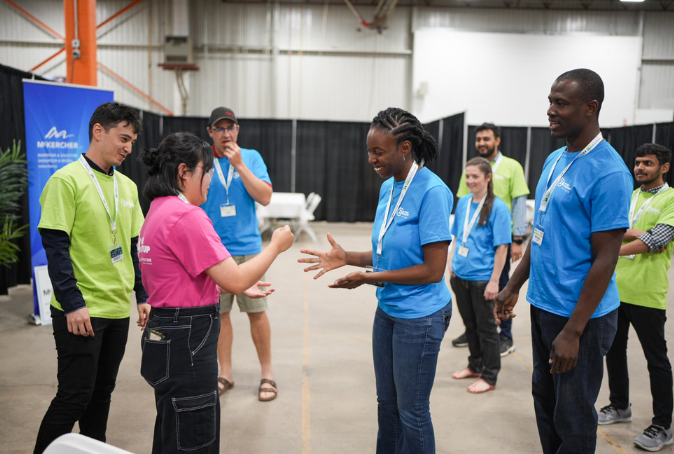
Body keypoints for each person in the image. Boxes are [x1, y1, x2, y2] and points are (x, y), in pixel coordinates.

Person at [494, 69, 633, 454]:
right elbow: (543, 233)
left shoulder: (609, 172)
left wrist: (573, 331)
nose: (551, 111)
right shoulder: (556, 159)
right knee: (547, 403)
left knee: (573, 415)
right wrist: (513, 285)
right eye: (550, 101)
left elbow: (606, 259)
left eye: (561, 103)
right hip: (545, 305)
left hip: (581, 318)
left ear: (590, 108)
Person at [299, 107, 453, 454]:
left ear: (405, 148)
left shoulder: (432, 192)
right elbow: (390, 253)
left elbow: (432, 270)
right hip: (389, 311)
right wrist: (348, 258)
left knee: (412, 412)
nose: (371, 158)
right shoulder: (388, 189)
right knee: (387, 405)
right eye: (369, 150)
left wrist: (369, 278)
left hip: (421, 316)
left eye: (378, 151)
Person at [137, 132, 293, 454]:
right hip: (187, 342)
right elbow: (236, 280)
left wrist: (220, 282)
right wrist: (276, 246)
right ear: (184, 173)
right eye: (206, 171)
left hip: (166, 334)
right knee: (194, 436)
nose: (210, 179)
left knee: (172, 429)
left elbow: (174, 276)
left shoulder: (158, 210)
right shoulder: (187, 216)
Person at [34, 102, 148, 453]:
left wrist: (142, 296)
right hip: (81, 310)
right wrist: (73, 304)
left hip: (117, 309)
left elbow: (133, 247)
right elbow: (56, 248)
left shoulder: (127, 187)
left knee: (101, 394)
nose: (128, 147)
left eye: (132, 141)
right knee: (74, 396)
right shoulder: (66, 180)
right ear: (98, 131)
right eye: (123, 138)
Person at [597, 143, 674, 451]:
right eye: (638, 162)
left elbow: (656, 240)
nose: (640, 168)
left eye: (648, 163)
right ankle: (619, 406)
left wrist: (617, 243)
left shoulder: (671, 199)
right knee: (613, 352)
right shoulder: (630, 196)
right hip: (615, 289)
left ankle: (662, 425)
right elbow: (611, 228)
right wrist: (631, 232)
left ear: (664, 167)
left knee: (656, 360)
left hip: (646, 293)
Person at [200, 107, 278, 401]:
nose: (226, 134)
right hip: (214, 251)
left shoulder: (252, 157)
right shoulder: (202, 158)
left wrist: (240, 165)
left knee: (257, 313)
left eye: (230, 128)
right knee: (219, 315)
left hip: (247, 250)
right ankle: (225, 373)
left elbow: (265, 197)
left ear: (238, 129)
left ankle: (267, 374)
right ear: (210, 132)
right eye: (219, 129)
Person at [453, 123, 529, 357]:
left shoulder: (511, 166)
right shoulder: (473, 169)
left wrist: (517, 239)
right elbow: (463, 202)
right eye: (478, 139)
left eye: (486, 139)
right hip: (472, 242)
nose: (482, 143)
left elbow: (518, 203)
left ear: (497, 140)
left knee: (501, 288)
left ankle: (504, 335)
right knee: (473, 294)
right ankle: (473, 331)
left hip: (499, 242)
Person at [449, 157, 511, 394]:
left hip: (482, 279)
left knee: (487, 330)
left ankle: (490, 375)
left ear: (488, 178)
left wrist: (494, 281)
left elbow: (502, 248)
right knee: (470, 325)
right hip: (460, 276)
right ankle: (475, 365)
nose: (470, 180)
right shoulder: (464, 202)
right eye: (467, 176)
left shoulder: (498, 208)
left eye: (475, 176)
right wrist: (451, 262)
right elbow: (457, 236)